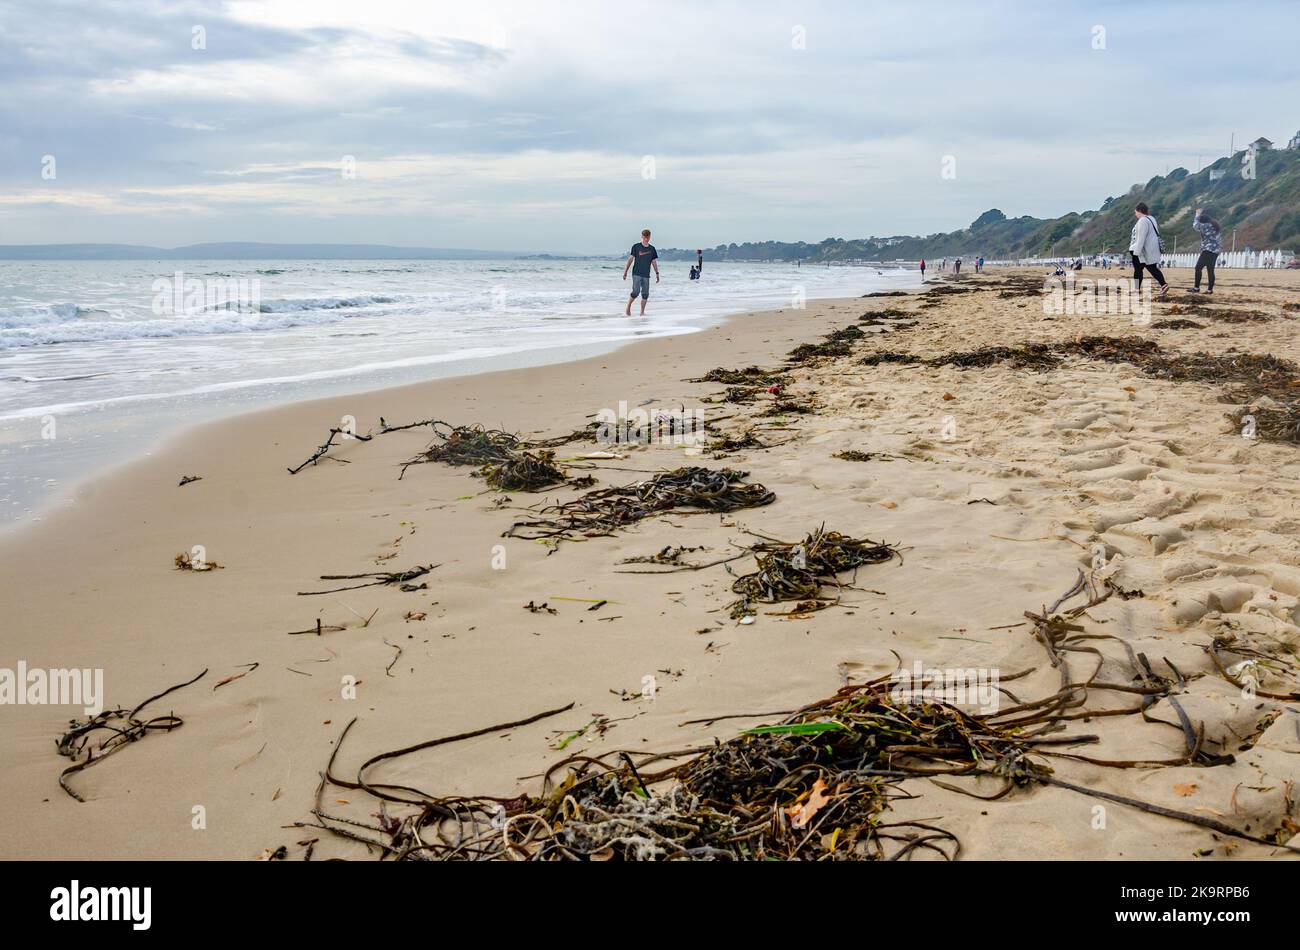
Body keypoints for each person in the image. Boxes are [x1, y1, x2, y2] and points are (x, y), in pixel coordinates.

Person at [1129, 202, 1170, 298]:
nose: (1135, 214)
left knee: (1138, 269)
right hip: (1150, 250)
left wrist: (1136, 252)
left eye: (1135, 212)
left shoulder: (1143, 220)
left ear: (1139, 211)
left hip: (1142, 250)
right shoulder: (1152, 219)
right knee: (1152, 268)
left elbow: (1141, 238)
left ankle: (1136, 289)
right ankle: (1164, 285)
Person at [623, 228, 660, 315]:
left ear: (650, 237)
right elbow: (630, 259)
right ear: (642, 237)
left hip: (646, 274)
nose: (646, 239)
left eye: (647, 237)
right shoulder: (636, 247)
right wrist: (625, 272)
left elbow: (653, 262)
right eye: (644, 237)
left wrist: (657, 273)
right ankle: (628, 307)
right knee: (635, 292)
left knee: (645, 294)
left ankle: (642, 313)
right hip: (636, 273)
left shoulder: (652, 249)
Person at [1191, 207, 1222, 294]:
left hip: (1208, 249)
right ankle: (1209, 290)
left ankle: (1196, 288)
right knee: (1210, 270)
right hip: (1215, 250)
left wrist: (1197, 214)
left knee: (1198, 268)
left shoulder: (1207, 225)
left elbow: (1195, 225)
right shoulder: (1214, 226)